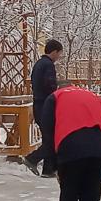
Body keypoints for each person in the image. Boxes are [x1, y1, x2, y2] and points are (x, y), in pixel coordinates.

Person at [23, 39, 63, 178]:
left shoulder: (39, 64)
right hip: (46, 106)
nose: (59, 57)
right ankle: (32, 158)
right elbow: (50, 85)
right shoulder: (48, 65)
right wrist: (57, 94)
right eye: (59, 53)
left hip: (38, 104)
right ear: (54, 52)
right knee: (51, 139)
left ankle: (48, 170)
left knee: (48, 138)